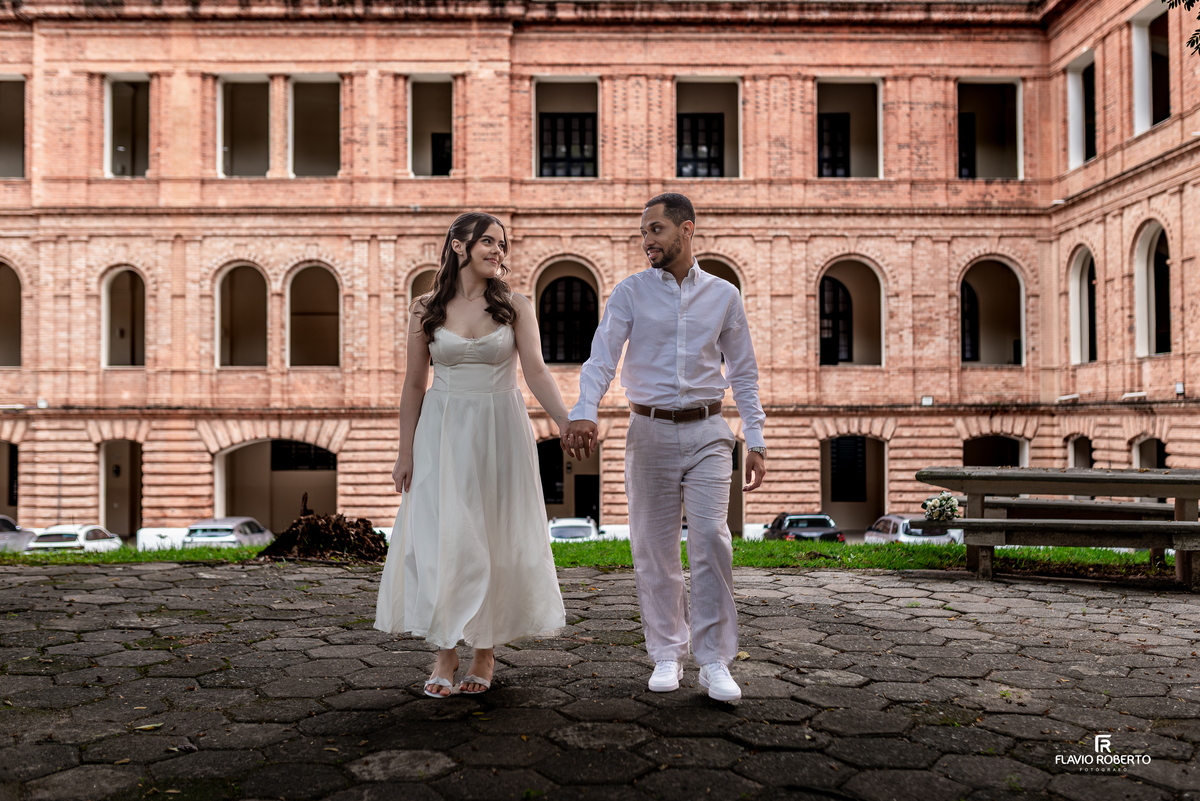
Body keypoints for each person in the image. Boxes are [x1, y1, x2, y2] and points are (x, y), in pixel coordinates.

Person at [564, 193, 766, 703]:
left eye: (655, 230)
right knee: (653, 550)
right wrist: (584, 409)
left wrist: (756, 438)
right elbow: (602, 356)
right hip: (648, 432)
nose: (647, 240)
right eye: (643, 232)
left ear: (686, 230)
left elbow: (742, 371)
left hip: (708, 432)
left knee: (712, 541)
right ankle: (667, 653)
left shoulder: (724, 295)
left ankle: (715, 658)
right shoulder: (631, 292)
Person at [376, 212, 569, 697]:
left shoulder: (515, 305)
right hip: (442, 430)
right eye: (487, 241)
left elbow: (538, 372)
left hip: (499, 428)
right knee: (448, 536)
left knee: (497, 535)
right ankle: (446, 651)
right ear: (458, 246)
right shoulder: (424, 307)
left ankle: (484, 653)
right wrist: (405, 451)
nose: (498, 251)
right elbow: (414, 383)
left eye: (502, 244)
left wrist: (568, 421)